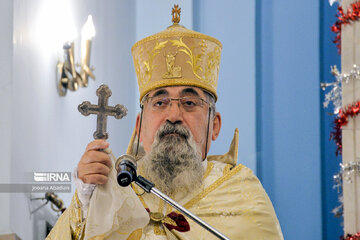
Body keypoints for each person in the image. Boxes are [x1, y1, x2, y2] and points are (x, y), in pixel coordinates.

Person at [47, 5, 283, 240]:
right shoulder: (113, 189)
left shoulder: (242, 195)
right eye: (160, 103)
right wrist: (85, 200)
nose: (173, 115)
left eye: (189, 103)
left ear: (214, 125)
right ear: (139, 126)